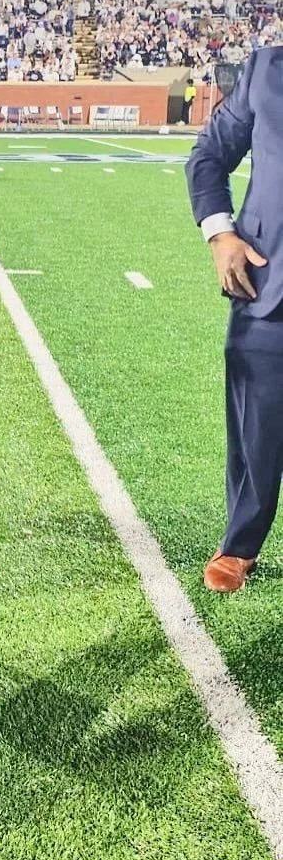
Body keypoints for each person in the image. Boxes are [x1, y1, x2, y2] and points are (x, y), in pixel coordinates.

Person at [186, 46, 283, 592]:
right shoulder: (266, 70)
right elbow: (207, 156)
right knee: (256, 426)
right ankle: (241, 543)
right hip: (270, 284)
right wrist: (221, 235)